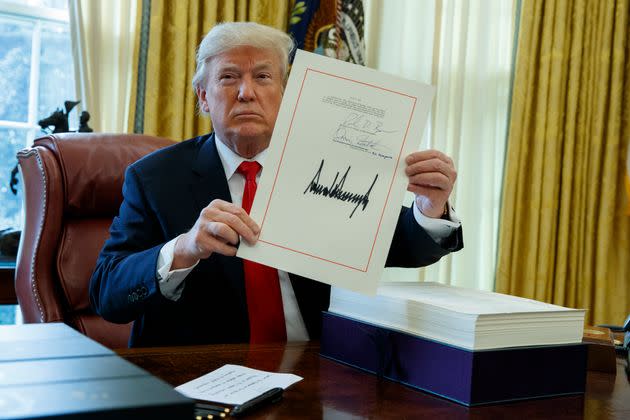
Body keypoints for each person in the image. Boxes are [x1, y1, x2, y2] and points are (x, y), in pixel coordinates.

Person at [89, 22, 463, 348]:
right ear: (203, 97)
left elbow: (402, 245)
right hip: (204, 372)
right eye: (228, 77)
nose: (246, 92)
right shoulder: (154, 178)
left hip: (317, 368)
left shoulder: (327, 165)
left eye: (263, 77)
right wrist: (184, 247)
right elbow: (107, 294)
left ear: (286, 95)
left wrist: (430, 208)